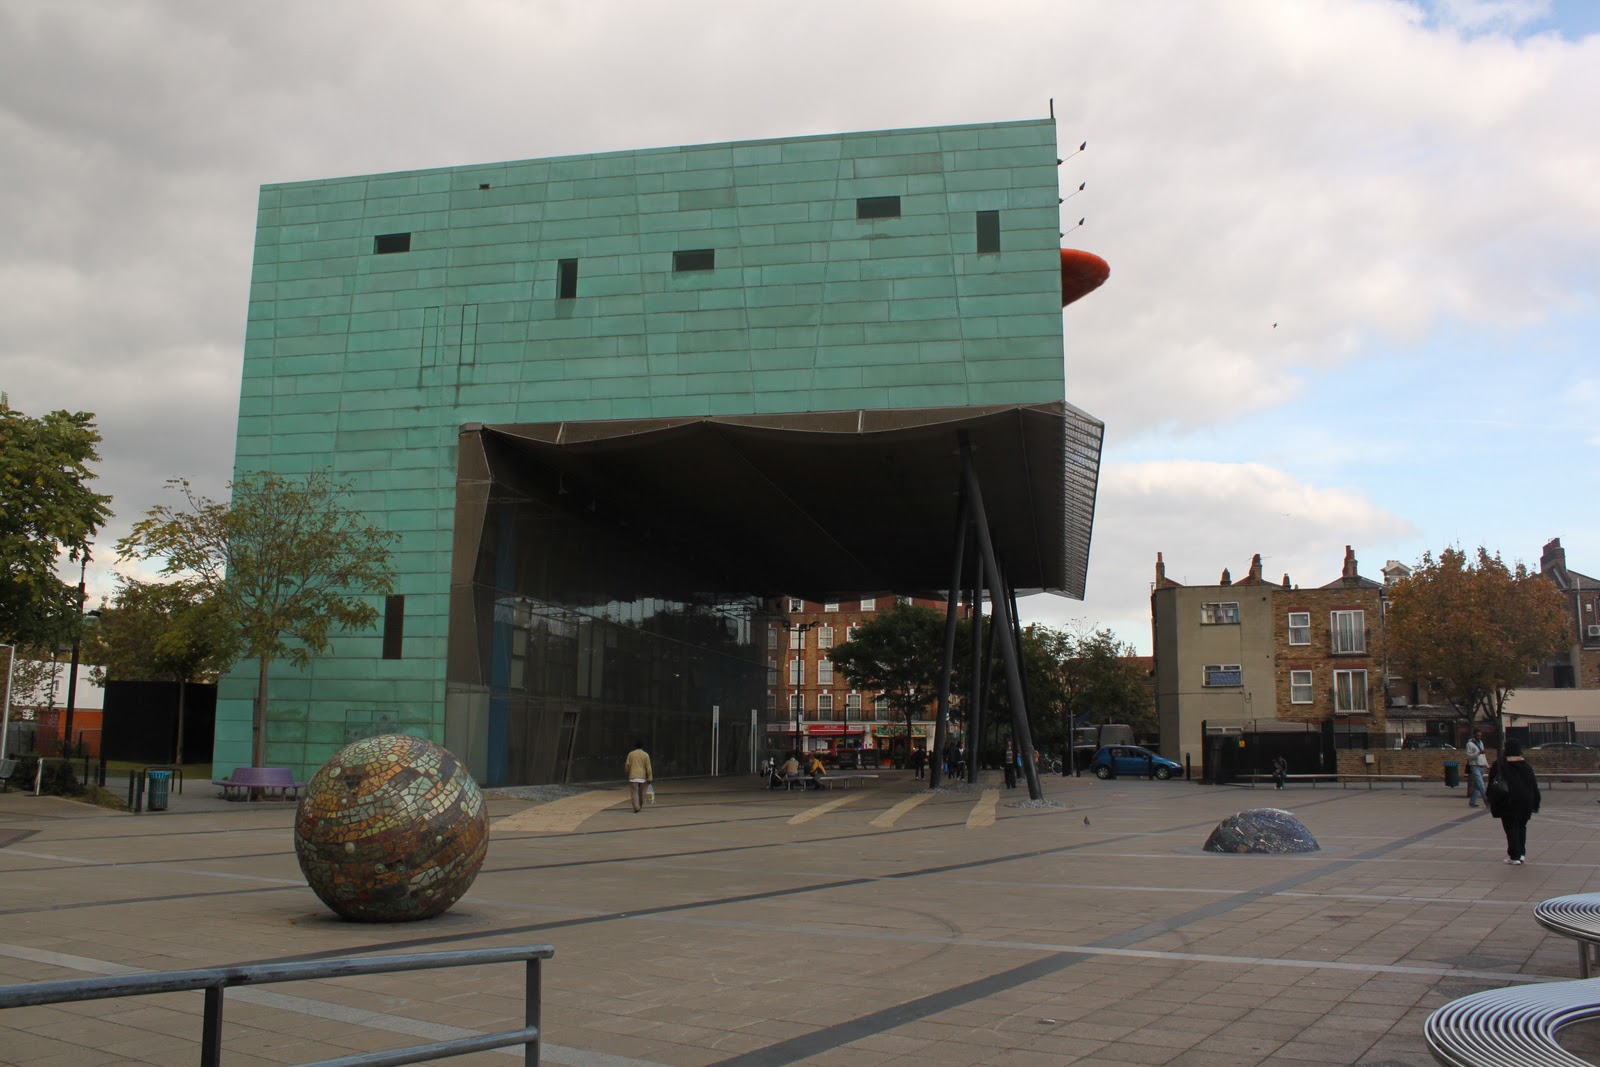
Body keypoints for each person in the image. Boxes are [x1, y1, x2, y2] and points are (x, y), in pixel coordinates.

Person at [1487, 739, 1540, 864]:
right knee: (1522, 826)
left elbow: (1492, 782)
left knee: (1511, 827)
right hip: (1525, 800)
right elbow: (1533, 785)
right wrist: (1536, 802)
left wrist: (1490, 798)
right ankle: (1521, 853)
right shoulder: (1526, 766)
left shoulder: (1500, 764)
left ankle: (1514, 855)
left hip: (1507, 800)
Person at [624, 740, 653, 813]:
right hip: (642, 777)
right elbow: (648, 767)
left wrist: (627, 774)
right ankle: (640, 805)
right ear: (642, 746)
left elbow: (627, 766)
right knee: (640, 793)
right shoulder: (645, 755)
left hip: (633, 776)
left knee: (634, 792)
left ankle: (636, 807)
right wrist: (649, 778)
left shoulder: (631, 754)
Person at [1465, 729, 1488, 808]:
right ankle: (1487, 802)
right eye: (1478, 735)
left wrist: (1487, 765)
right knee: (1481, 785)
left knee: (1477, 785)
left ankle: (1472, 802)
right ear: (1474, 735)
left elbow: (1483, 756)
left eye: (1480, 735)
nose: (1479, 737)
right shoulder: (1469, 744)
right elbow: (1468, 756)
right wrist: (1478, 753)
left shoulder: (1481, 742)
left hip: (1481, 765)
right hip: (1474, 766)